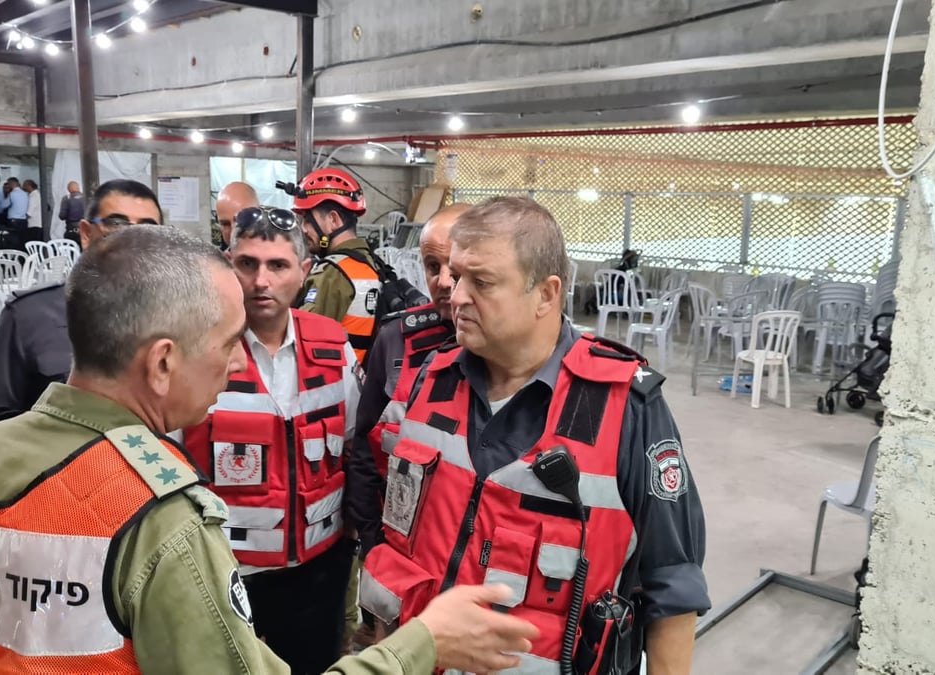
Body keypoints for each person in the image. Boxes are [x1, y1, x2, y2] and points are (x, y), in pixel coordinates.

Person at [0, 225, 539, 675]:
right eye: (227, 344)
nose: (236, 365)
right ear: (163, 362)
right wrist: (427, 641)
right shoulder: (156, 517)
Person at [360, 197, 709, 674]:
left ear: (546, 294)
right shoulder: (430, 380)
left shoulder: (622, 407)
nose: (454, 294)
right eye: (455, 275)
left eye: (480, 282)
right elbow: (398, 538)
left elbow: (673, 584)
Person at [181, 206, 360, 674]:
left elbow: (356, 444)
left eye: (277, 266)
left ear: (303, 272)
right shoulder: (195, 349)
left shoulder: (333, 343)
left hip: (316, 569)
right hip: (223, 571)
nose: (262, 281)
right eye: (247, 264)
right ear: (228, 264)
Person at [0, 179, 164, 412]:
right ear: (86, 234)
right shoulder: (30, 315)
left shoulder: (177, 314)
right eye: (117, 224)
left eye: (148, 229)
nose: (132, 238)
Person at [347, 203, 467, 554]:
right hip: (398, 549)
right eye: (433, 267)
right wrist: (373, 545)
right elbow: (365, 454)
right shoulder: (395, 339)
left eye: (456, 269)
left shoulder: (516, 355)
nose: (444, 282)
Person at [291, 168, 382, 363]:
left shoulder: (332, 273)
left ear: (333, 220)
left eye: (307, 219)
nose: (303, 229)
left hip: (333, 385)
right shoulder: (373, 264)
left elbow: (300, 343)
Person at [215, 181, 259, 250]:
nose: (233, 231)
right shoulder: (218, 260)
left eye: (240, 221)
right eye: (225, 224)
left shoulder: (278, 256)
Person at [23, 179, 44, 245]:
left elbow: (29, 212)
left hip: (34, 224)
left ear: (29, 186)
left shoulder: (34, 196)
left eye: (24, 185)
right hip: (38, 223)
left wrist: (23, 219)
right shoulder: (37, 194)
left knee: (33, 243)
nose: (23, 187)